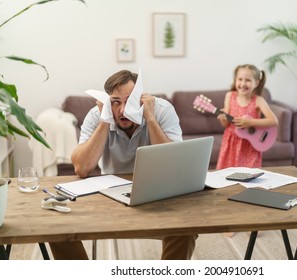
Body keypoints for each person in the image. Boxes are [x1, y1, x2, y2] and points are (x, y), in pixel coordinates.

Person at [48, 69, 197, 260]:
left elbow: (175, 164)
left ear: (141, 98)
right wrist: (105, 120)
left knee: (185, 229)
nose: (123, 110)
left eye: (130, 102)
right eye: (116, 102)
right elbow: (82, 168)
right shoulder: (97, 115)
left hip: (157, 193)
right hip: (109, 194)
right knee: (57, 227)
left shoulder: (162, 110)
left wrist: (150, 118)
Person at [216, 64, 278, 170]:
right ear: (235, 80)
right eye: (240, 79)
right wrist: (222, 119)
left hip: (250, 146)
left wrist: (250, 122)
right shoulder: (230, 96)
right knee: (226, 176)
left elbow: (273, 121)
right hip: (231, 143)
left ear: (256, 83)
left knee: (248, 177)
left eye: (248, 80)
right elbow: (226, 124)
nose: (243, 83)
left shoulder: (258, 100)